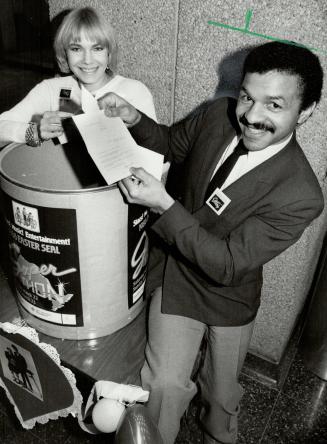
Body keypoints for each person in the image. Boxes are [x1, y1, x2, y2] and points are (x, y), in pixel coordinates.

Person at [98, 41, 324, 444]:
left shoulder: (301, 194)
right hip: (178, 275)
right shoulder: (216, 115)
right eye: (247, 97)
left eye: (274, 105)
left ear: (305, 112)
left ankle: (219, 432)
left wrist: (164, 205)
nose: (251, 117)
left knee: (222, 395)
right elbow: (169, 142)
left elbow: (227, 265)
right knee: (164, 386)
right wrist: (134, 118)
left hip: (229, 295)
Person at [0, 7, 156, 147]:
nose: (87, 60)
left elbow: (160, 159)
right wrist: (34, 132)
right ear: (64, 53)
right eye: (76, 49)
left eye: (97, 48)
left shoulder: (134, 91)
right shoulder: (52, 89)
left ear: (109, 53)